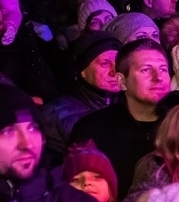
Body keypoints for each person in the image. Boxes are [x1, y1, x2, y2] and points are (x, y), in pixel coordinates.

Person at [70, 39, 173, 189]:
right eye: (145, 70)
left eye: (163, 69)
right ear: (122, 81)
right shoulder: (92, 131)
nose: (158, 77)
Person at [49, 31, 122, 146]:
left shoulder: (129, 105)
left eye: (119, 63)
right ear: (82, 71)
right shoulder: (56, 115)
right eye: (105, 64)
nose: (115, 71)